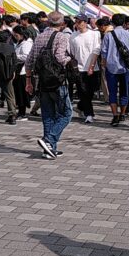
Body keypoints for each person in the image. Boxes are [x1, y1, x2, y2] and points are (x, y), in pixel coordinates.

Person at [26, 11, 74, 159]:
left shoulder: (39, 37)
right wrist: (71, 61)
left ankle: (49, 149)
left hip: (42, 82)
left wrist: (28, 81)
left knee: (48, 115)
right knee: (66, 113)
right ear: (62, 23)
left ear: (47, 22)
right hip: (57, 81)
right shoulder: (62, 37)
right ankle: (49, 141)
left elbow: (29, 61)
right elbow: (60, 57)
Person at [101, 14, 129, 126]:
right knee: (124, 91)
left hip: (111, 67)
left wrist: (104, 63)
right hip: (125, 67)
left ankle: (115, 115)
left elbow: (104, 51)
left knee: (112, 92)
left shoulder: (108, 35)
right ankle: (122, 114)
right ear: (123, 23)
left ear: (112, 23)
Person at [73, 17, 102, 124]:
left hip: (93, 68)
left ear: (85, 23)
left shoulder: (95, 34)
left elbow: (97, 50)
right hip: (80, 69)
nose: (77, 24)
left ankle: (81, 106)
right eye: (76, 22)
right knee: (84, 92)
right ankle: (89, 114)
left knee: (92, 90)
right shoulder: (73, 36)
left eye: (80, 21)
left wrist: (92, 65)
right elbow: (72, 53)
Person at [12, 25, 33, 121]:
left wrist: (15, 56)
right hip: (19, 71)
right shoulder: (20, 42)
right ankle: (20, 112)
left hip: (23, 71)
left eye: (16, 35)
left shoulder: (26, 44)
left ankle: (22, 113)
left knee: (21, 93)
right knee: (18, 93)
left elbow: (26, 56)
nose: (15, 37)